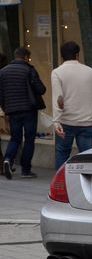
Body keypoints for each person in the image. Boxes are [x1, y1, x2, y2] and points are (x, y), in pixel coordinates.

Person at [51, 41, 92, 170]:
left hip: (66, 122)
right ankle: (87, 183)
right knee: (86, 157)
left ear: (62, 56)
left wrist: (56, 121)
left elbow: (58, 99)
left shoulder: (57, 72)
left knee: (62, 153)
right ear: (78, 55)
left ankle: (61, 185)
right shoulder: (90, 72)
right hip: (87, 122)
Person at [0, 47, 46, 179]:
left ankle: (8, 159)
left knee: (15, 138)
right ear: (26, 57)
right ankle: (26, 170)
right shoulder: (29, 70)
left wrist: (6, 109)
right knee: (29, 139)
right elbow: (41, 89)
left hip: (12, 110)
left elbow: (1, 95)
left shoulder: (2, 72)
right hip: (29, 110)